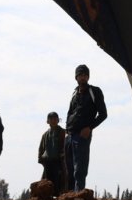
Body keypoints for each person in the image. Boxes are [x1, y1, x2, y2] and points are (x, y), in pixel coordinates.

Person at [65, 64, 107, 192]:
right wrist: (67, 131)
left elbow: (103, 114)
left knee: (80, 168)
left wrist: (89, 128)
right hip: (70, 136)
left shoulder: (94, 91)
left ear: (88, 77)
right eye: (80, 75)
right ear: (76, 77)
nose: (82, 78)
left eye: (85, 75)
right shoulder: (74, 93)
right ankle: (70, 197)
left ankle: (79, 196)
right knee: (69, 168)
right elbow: (69, 112)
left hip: (82, 135)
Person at [37, 111, 66, 190]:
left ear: (58, 120)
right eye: (51, 119)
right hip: (48, 162)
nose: (53, 121)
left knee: (60, 183)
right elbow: (41, 149)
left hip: (59, 162)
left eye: (55, 119)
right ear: (48, 121)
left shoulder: (63, 132)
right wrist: (41, 159)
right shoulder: (45, 135)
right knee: (47, 184)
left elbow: (67, 147)